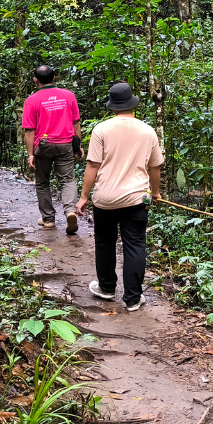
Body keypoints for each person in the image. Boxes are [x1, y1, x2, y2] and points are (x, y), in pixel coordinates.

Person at [75, 82, 164, 312]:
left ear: (112, 106)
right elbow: (155, 168)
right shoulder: (147, 131)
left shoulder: (101, 130)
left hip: (105, 199)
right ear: (132, 103)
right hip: (136, 200)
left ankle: (106, 288)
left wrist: (84, 196)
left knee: (105, 242)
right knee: (135, 244)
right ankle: (133, 298)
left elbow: (93, 166)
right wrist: (155, 193)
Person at [21, 65, 82, 234]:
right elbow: (76, 122)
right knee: (68, 180)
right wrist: (78, 146)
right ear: (54, 78)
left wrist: (30, 155)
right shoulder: (68, 95)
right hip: (65, 143)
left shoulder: (32, 100)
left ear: (35, 80)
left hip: (44, 145)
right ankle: (70, 211)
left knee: (42, 182)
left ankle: (48, 219)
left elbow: (29, 130)